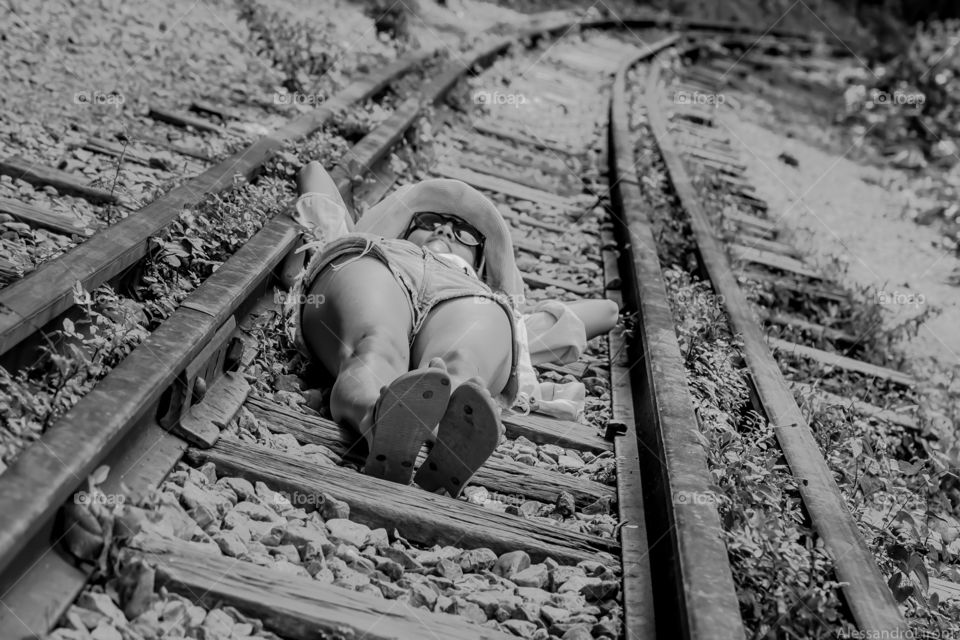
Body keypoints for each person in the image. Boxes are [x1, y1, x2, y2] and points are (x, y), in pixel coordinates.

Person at [283, 161, 617, 497]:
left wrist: (504, 277)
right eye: (430, 221)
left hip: (465, 295)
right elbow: (313, 173)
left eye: (465, 233)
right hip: (384, 263)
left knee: (463, 364)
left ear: (481, 261)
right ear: (406, 228)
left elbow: (607, 312)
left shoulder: (496, 304)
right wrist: (416, 200)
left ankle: (448, 430)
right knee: (375, 344)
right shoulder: (371, 242)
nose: (444, 230)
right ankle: (379, 419)